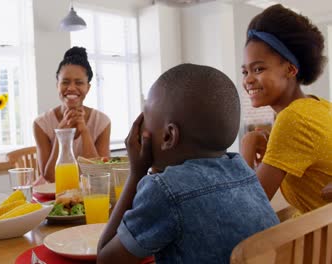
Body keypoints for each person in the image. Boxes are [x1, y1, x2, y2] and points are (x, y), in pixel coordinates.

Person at [97, 64, 279, 264]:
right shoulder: (243, 170)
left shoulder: (164, 191)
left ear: (168, 136)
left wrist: (136, 172)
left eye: (145, 118)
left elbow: (106, 259)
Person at [240, 4, 332, 214]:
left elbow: (247, 211)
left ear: (290, 69)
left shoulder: (293, 119)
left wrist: (247, 147)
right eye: (245, 72)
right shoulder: (320, 106)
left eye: (259, 69)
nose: (249, 80)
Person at [34, 47, 111, 183]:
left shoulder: (102, 122)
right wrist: (61, 135)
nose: (71, 88)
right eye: (65, 82)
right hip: (54, 196)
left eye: (79, 82)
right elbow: (50, 177)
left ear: (88, 87)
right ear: (57, 84)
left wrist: (85, 132)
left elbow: (99, 175)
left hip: (90, 195)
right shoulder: (41, 124)